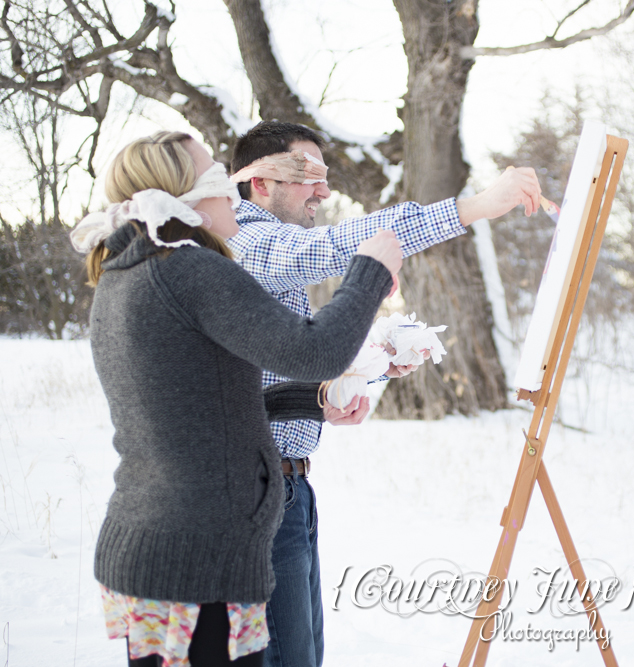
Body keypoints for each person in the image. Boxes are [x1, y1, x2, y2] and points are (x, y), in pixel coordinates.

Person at [74, 130, 402, 666]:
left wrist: (311, 403)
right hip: (200, 561)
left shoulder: (130, 272)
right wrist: (369, 271)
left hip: (156, 550)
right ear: (180, 196)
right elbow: (313, 350)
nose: (230, 191)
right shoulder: (189, 269)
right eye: (213, 178)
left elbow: (202, 407)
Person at [227, 120, 542, 667]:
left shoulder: (266, 251)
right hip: (261, 495)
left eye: (325, 176)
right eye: (307, 174)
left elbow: (278, 370)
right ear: (259, 182)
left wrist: (356, 369)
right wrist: (477, 207)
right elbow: (329, 249)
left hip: (288, 490)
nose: (323, 191)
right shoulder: (248, 240)